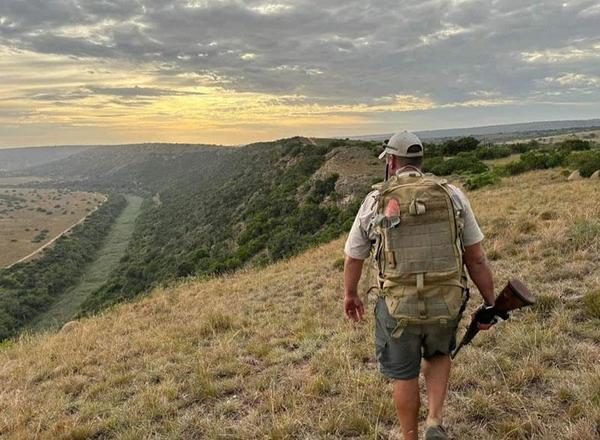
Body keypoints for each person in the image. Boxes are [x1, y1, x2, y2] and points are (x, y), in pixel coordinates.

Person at [343, 131, 496, 440]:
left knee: (404, 374)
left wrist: (350, 294)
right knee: (439, 354)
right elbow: (476, 258)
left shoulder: (376, 199)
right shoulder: (451, 194)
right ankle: (434, 421)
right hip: (446, 298)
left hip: (398, 305)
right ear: (418, 161)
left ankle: (410, 436)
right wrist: (491, 302)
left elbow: (354, 255)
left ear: (392, 161)